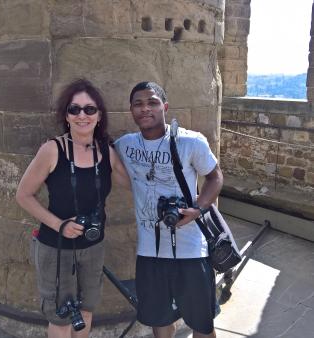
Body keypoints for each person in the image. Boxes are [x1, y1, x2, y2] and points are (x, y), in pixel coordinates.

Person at [16, 79, 130, 338]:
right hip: (56, 247)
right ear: (65, 115)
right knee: (61, 316)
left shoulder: (105, 151)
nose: (82, 115)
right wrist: (60, 225)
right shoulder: (52, 150)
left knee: (87, 310)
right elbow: (23, 195)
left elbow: (135, 184)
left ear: (99, 115)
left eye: (89, 109)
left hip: (93, 245)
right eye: (74, 109)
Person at [114, 81, 223, 338]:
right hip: (150, 250)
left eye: (152, 102)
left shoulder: (190, 142)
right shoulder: (125, 144)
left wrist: (198, 208)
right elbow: (97, 155)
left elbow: (215, 177)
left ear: (164, 106)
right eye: (138, 104)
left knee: (202, 323)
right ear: (131, 110)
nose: (145, 109)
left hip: (191, 249)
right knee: (159, 320)